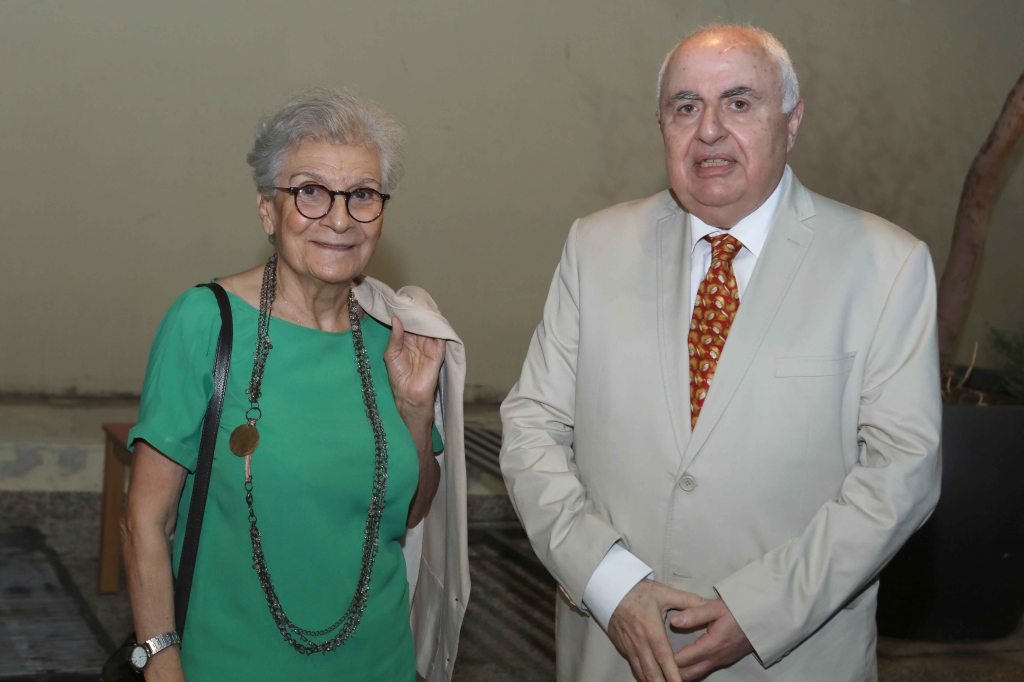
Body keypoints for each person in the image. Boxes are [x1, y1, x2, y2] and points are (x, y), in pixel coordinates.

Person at [500, 25, 941, 682]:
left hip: (789, 655)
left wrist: (763, 610)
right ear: (662, 126)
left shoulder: (886, 265)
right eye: (686, 107)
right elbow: (531, 426)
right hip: (614, 650)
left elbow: (902, 474)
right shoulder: (594, 248)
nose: (709, 130)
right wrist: (609, 581)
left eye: (739, 102)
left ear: (791, 121)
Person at [122, 88, 468, 682]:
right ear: (268, 210)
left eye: (362, 195)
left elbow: (412, 512)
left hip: (381, 666)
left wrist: (415, 408)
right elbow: (144, 521)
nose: (339, 218)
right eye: (311, 191)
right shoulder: (206, 323)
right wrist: (159, 660)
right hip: (228, 667)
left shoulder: (396, 339)